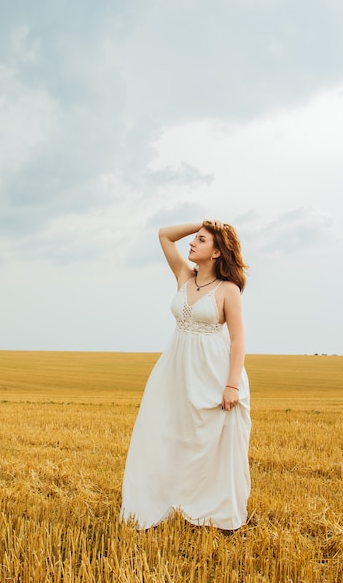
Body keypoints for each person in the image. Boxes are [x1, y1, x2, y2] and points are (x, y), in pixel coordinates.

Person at [120, 220, 251, 531]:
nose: (191, 244)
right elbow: (164, 235)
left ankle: (213, 512)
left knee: (209, 442)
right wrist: (201, 223)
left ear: (217, 252)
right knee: (167, 434)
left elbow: (238, 340)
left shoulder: (228, 290)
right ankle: (166, 500)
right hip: (175, 370)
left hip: (213, 372)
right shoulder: (183, 276)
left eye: (201, 240)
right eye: (194, 239)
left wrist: (232, 384)